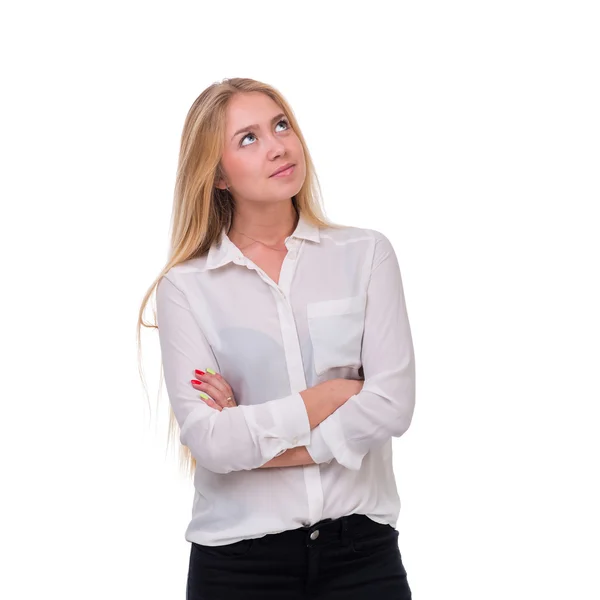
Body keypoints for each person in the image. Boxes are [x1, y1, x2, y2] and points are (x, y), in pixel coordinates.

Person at [138, 77, 416, 599]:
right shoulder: (186, 288)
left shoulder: (366, 255)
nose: (278, 145)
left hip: (362, 554)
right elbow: (211, 442)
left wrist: (257, 441)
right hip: (239, 566)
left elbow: (392, 406)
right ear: (216, 175)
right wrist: (331, 396)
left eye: (281, 124)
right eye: (248, 138)